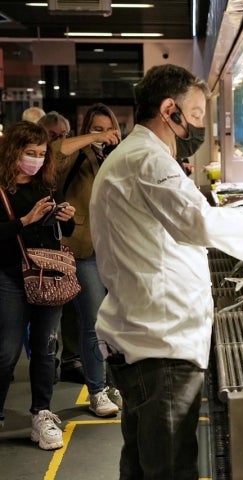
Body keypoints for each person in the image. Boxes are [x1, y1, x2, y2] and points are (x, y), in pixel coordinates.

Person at [89, 64, 243, 480]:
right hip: (160, 344)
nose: (199, 127)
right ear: (168, 110)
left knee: (142, 463)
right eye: (195, 116)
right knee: (170, 468)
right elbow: (197, 221)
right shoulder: (146, 159)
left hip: (147, 335)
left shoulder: (139, 156)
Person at [0, 121, 77, 450]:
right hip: (10, 277)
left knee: (46, 348)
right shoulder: (3, 190)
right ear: (13, 152)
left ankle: (42, 413)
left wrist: (66, 216)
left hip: (50, 277)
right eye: (29, 153)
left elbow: (67, 231)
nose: (35, 159)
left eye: (41, 154)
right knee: (7, 352)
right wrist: (25, 221)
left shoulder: (47, 185)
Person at [53, 103, 123, 417]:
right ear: (86, 129)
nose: (108, 134)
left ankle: (113, 385)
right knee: (93, 323)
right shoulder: (76, 155)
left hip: (119, 251)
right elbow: (54, 152)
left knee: (118, 324)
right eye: (99, 128)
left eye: (111, 128)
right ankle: (97, 391)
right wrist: (91, 139)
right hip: (85, 250)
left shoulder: (119, 156)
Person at [38, 110, 84, 385]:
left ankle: (57, 364)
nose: (58, 141)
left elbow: (66, 226)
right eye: (53, 135)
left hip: (59, 248)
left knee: (63, 313)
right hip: (25, 256)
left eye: (63, 135)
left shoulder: (67, 165)